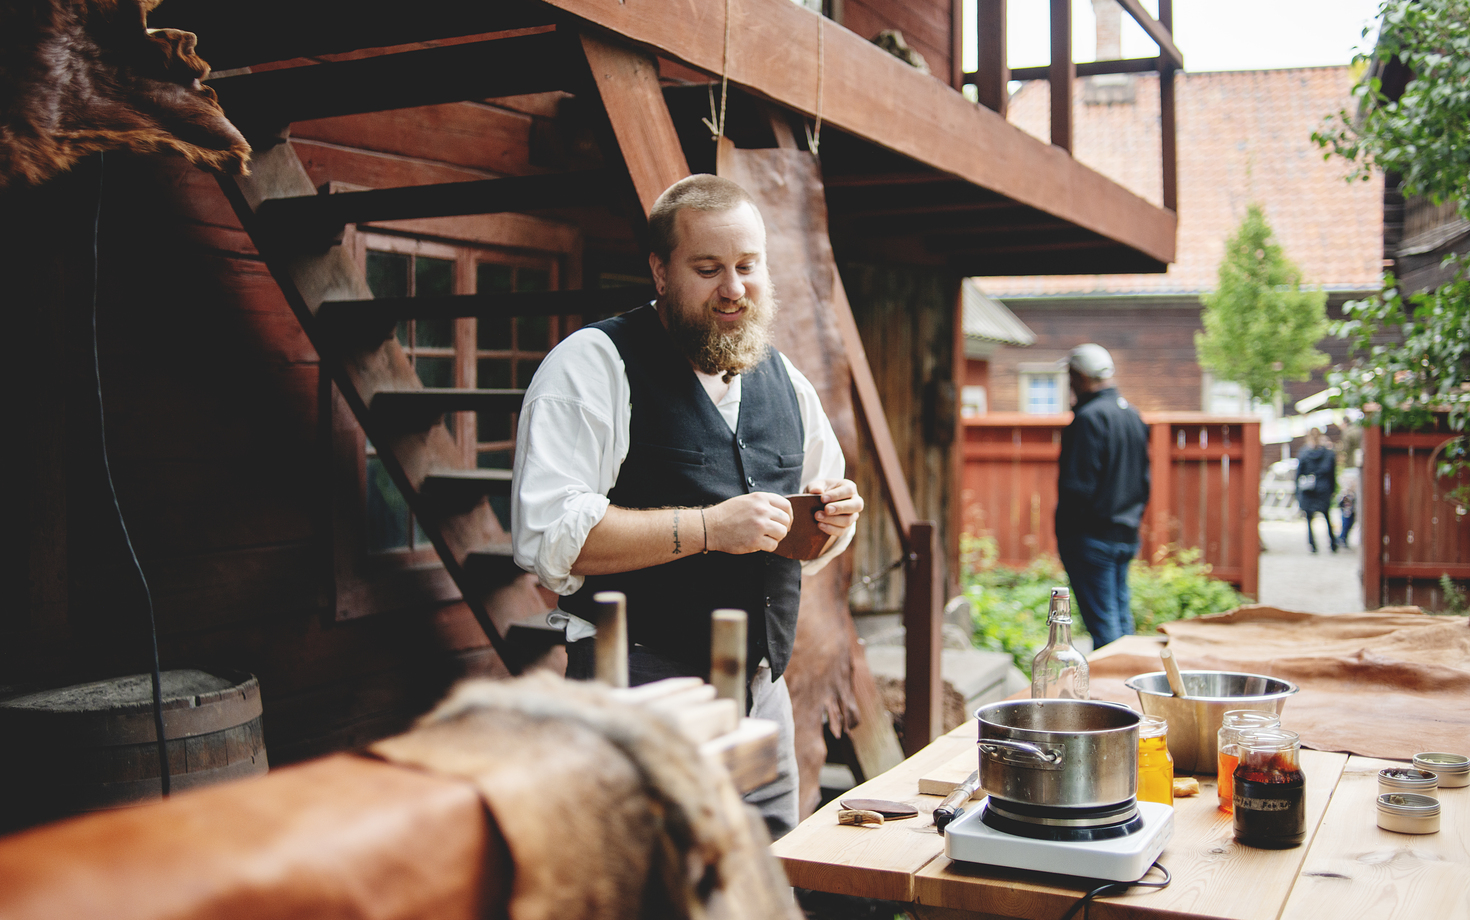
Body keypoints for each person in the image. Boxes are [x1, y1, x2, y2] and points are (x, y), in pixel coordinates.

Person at [510, 174, 863, 839]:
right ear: (661, 270)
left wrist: (831, 522)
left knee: (762, 886)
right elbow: (550, 538)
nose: (733, 287)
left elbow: (806, 544)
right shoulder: (594, 365)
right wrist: (706, 529)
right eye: (708, 268)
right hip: (635, 688)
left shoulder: (786, 382)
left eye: (746, 266)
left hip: (762, 694)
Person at [1055, 344, 1150, 649]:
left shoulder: (1088, 419)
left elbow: (1077, 487)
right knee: (1120, 620)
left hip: (1092, 537)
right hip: (1125, 532)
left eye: (1071, 376)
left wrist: (1066, 533)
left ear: (1080, 377)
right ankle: (1129, 686)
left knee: (1106, 629)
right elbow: (1143, 481)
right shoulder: (1132, 415)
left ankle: (1115, 692)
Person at [1296, 428, 1338, 552]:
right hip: (1324, 488)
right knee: (1327, 516)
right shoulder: (1329, 454)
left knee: (1309, 519)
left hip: (1308, 489)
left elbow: (1298, 474)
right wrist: (1332, 490)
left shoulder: (1303, 453)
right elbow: (1332, 475)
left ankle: (1312, 545)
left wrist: (1297, 491)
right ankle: (1333, 543)